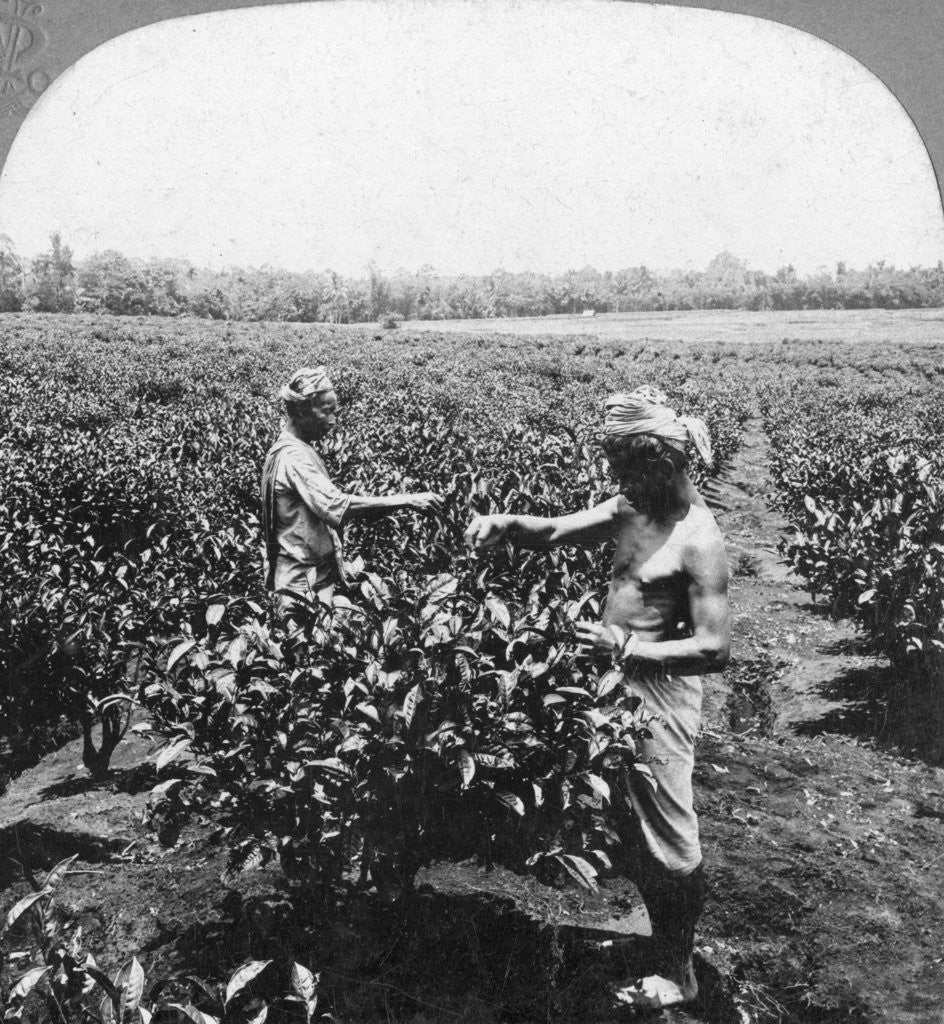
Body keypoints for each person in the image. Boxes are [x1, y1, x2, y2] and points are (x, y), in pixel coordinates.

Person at [463, 385, 730, 1011]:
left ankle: (680, 971)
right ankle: (660, 943)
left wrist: (626, 651)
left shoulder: (698, 540)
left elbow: (715, 649)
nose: (615, 478)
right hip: (614, 688)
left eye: (624, 465)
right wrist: (505, 525)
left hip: (657, 693)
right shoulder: (634, 507)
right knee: (627, 826)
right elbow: (554, 530)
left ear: (659, 463)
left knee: (670, 832)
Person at [261, 366, 442, 621]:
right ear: (303, 410)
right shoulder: (293, 456)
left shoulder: (294, 447)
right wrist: (407, 500)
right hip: (300, 586)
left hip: (314, 578)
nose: (333, 420)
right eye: (327, 411)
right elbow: (338, 507)